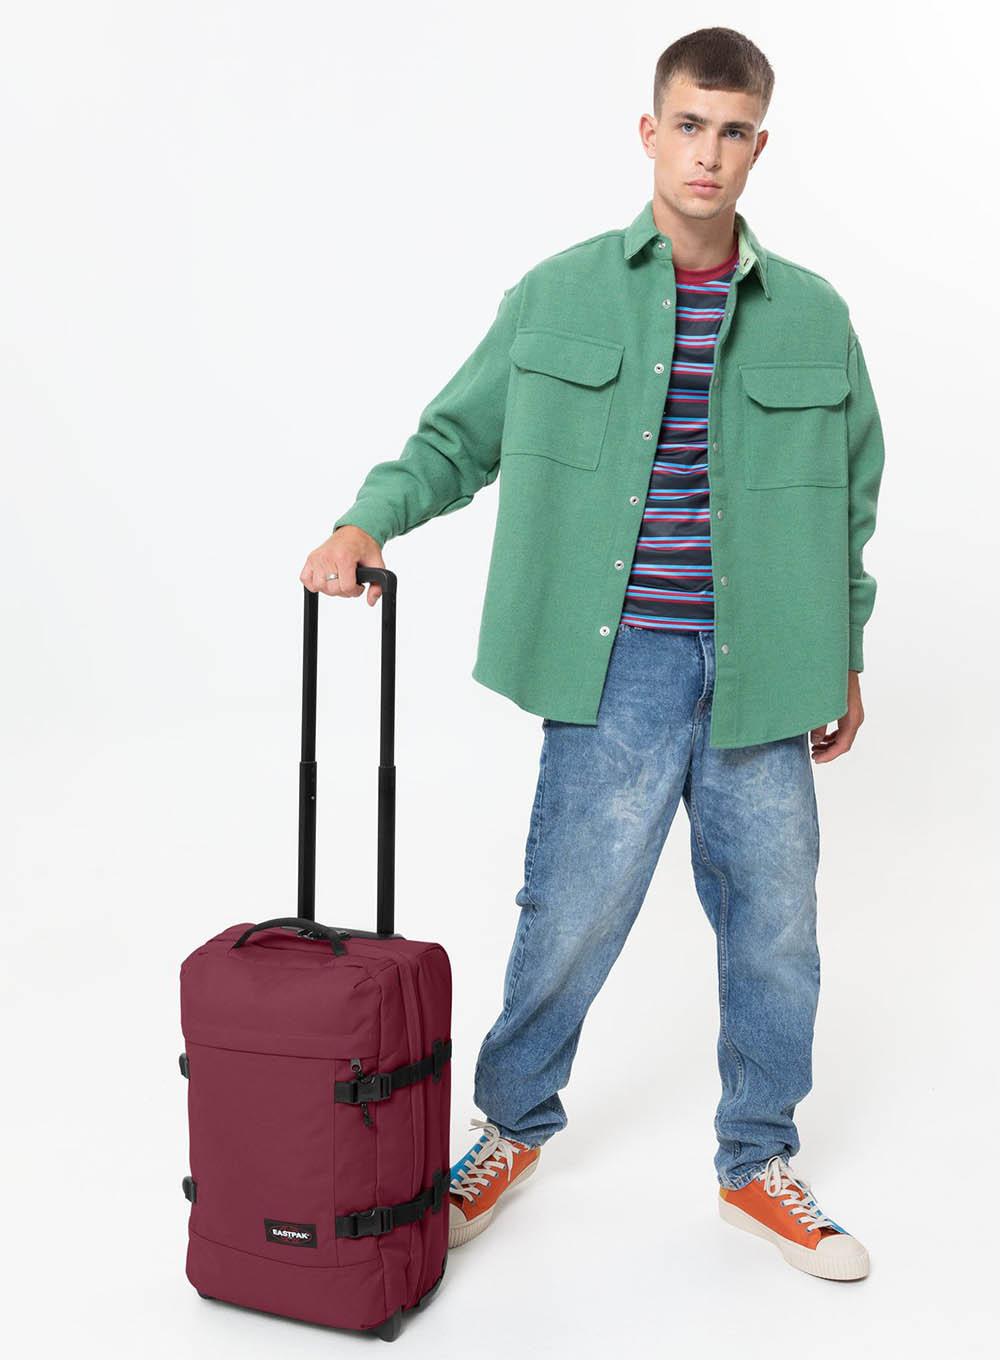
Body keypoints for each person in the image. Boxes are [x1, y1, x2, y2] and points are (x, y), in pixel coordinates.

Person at [300, 26, 885, 1283]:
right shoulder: (559, 293)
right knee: (568, 908)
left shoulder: (816, 314)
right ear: (649, 132)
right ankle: (510, 1127)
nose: (707, 153)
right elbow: (455, 438)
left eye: (733, 132)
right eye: (689, 125)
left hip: (769, 665)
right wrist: (365, 521)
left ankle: (756, 1161)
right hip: (617, 665)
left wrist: (842, 650)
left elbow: (851, 497)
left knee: (776, 924)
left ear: (760, 146)